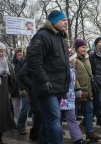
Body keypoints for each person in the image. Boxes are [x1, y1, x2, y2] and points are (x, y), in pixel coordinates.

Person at [26, 10, 70, 143]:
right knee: (53, 119)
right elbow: (34, 61)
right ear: (54, 21)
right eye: (63, 20)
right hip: (46, 87)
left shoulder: (61, 38)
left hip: (58, 87)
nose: (66, 22)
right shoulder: (42, 36)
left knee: (48, 121)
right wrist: (43, 81)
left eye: (66, 19)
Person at [73, 39, 101, 141]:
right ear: (77, 48)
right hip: (77, 91)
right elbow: (73, 74)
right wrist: (77, 88)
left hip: (88, 91)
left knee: (89, 111)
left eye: (85, 47)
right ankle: (76, 135)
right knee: (73, 115)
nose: (84, 49)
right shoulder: (73, 58)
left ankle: (90, 132)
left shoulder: (87, 58)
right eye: (82, 47)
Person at [60, 50, 87, 144]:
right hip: (62, 98)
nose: (75, 60)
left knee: (72, 119)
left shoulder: (72, 69)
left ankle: (77, 139)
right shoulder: (64, 69)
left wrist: (75, 91)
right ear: (69, 60)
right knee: (57, 120)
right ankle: (55, 138)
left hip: (70, 98)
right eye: (74, 58)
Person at [0, 42, 16, 144]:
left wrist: (9, 91)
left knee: (1, 118)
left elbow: (12, 80)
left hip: (3, 96)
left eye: (2, 51)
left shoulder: (7, 63)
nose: (0, 53)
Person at [10, 47, 23, 131]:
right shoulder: (12, 63)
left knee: (23, 107)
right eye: (18, 52)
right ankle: (15, 123)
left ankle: (22, 124)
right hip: (14, 88)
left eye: (20, 52)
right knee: (16, 108)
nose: (19, 53)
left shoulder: (26, 62)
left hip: (23, 88)